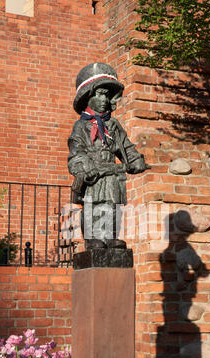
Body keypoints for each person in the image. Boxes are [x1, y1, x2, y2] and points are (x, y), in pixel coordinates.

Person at [68, 63, 148, 250]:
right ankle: (92, 239)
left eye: (107, 95)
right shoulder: (81, 126)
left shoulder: (113, 125)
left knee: (113, 206)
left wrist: (135, 160)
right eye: (100, 94)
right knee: (92, 206)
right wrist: (85, 167)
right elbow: (76, 151)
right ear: (89, 96)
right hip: (93, 174)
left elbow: (125, 146)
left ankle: (111, 237)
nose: (104, 99)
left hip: (112, 173)